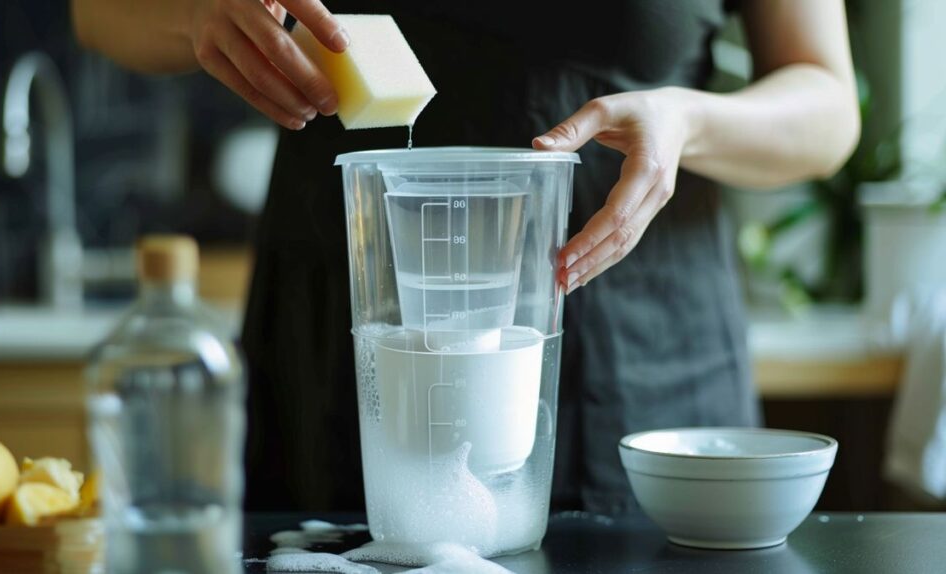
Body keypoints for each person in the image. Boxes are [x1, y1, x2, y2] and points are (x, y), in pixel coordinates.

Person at [73, 0, 859, 515]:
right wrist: (199, 14)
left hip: (643, 349)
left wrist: (687, 121)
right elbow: (100, 13)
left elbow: (827, 106)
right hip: (344, 357)